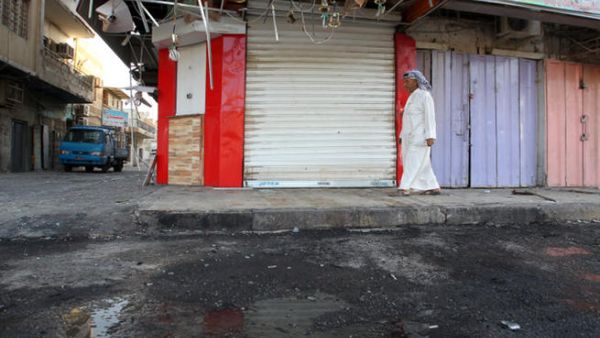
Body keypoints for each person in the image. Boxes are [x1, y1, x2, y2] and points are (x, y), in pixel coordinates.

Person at [398, 70, 441, 196]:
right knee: (422, 163)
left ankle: (404, 187)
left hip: (420, 137)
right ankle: (432, 186)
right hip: (409, 136)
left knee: (412, 161)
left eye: (407, 82)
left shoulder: (424, 96)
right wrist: (402, 135)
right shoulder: (412, 97)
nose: (405, 85)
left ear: (416, 81)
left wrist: (431, 135)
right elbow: (408, 119)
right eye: (404, 82)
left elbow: (430, 116)